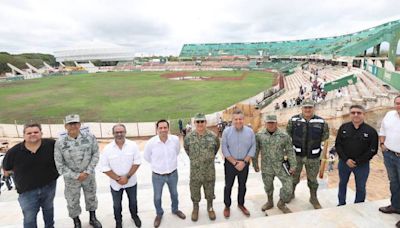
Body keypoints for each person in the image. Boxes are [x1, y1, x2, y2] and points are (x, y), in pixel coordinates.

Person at [2, 123, 59, 228]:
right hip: (27, 192)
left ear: (41, 133)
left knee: (48, 210)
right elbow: (6, 168)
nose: (33, 134)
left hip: (49, 186)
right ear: (24, 135)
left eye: (36, 132)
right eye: (29, 133)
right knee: (29, 217)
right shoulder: (13, 152)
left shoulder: (52, 145)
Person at [54, 114, 102, 228]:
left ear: (80, 124)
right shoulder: (60, 142)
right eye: (70, 124)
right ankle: (76, 221)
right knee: (72, 201)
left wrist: (87, 171)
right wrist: (76, 175)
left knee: (91, 197)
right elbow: (59, 164)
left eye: (75, 123)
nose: (73, 126)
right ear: (66, 126)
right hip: (71, 179)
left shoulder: (90, 137)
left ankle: (93, 218)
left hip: (88, 176)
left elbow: (95, 154)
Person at [286, 98, 329, 209]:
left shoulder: (321, 122)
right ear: (302, 108)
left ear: (313, 108)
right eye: (306, 107)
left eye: (310, 107)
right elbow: (288, 135)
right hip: (297, 156)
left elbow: (325, 137)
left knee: (313, 180)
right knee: (293, 177)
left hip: (313, 157)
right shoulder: (293, 120)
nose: (308, 109)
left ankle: (313, 198)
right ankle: (291, 193)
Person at [144, 119, 186, 228]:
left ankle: (175, 209)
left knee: (174, 194)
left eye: (165, 127)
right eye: (160, 128)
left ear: (168, 128)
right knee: (157, 197)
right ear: (157, 129)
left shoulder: (175, 140)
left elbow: (176, 152)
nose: (163, 130)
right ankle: (159, 214)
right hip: (157, 176)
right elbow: (147, 157)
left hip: (173, 174)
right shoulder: (151, 143)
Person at [335, 105, 378, 206]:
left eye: (359, 113)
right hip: (344, 163)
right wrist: (346, 160)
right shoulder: (343, 128)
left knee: (361, 187)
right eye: (353, 112)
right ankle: (341, 203)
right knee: (342, 184)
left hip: (362, 165)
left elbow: (373, 150)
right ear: (350, 114)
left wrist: (358, 161)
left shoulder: (371, 131)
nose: (356, 115)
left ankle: (359, 205)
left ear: (364, 114)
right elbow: (338, 145)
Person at [100, 124, 142, 228]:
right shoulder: (107, 149)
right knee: (117, 205)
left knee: (133, 201)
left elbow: (137, 162)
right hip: (115, 184)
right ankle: (118, 221)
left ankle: (134, 216)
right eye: (117, 132)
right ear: (113, 133)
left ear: (125, 132)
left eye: (121, 132)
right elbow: (104, 167)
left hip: (131, 181)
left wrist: (127, 177)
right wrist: (118, 178)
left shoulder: (133, 145)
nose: (119, 134)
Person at [253, 115, 296, 215]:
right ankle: (269, 201)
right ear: (265, 123)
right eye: (269, 122)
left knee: (289, 186)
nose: (271, 125)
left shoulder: (284, 136)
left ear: (276, 123)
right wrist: (255, 164)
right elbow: (256, 151)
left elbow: (290, 151)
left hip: (281, 166)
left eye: (273, 122)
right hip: (266, 166)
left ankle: (281, 203)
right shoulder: (259, 135)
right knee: (268, 186)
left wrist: (293, 165)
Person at [184, 113, 220, 221]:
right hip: (195, 172)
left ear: (205, 123)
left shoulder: (213, 136)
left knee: (210, 192)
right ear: (194, 123)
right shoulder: (189, 137)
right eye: (198, 122)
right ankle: (195, 208)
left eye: (202, 121)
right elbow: (187, 150)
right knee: (194, 191)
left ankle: (210, 207)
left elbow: (216, 149)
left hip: (209, 171)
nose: (200, 124)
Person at [222, 109, 256, 218]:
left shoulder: (250, 132)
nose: (238, 121)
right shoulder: (226, 132)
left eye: (240, 119)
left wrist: (244, 161)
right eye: (235, 119)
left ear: (243, 119)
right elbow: (224, 148)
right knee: (228, 186)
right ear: (232, 120)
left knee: (242, 185)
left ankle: (241, 204)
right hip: (230, 164)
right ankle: (227, 206)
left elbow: (253, 147)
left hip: (244, 163)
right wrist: (235, 162)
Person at [378, 95, 400, 226]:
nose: (399, 106)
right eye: (397, 103)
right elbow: (382, 130)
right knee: (394, 182)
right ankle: (396, 206)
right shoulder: (389, 114)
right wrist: (382, 145)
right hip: (389, 155)